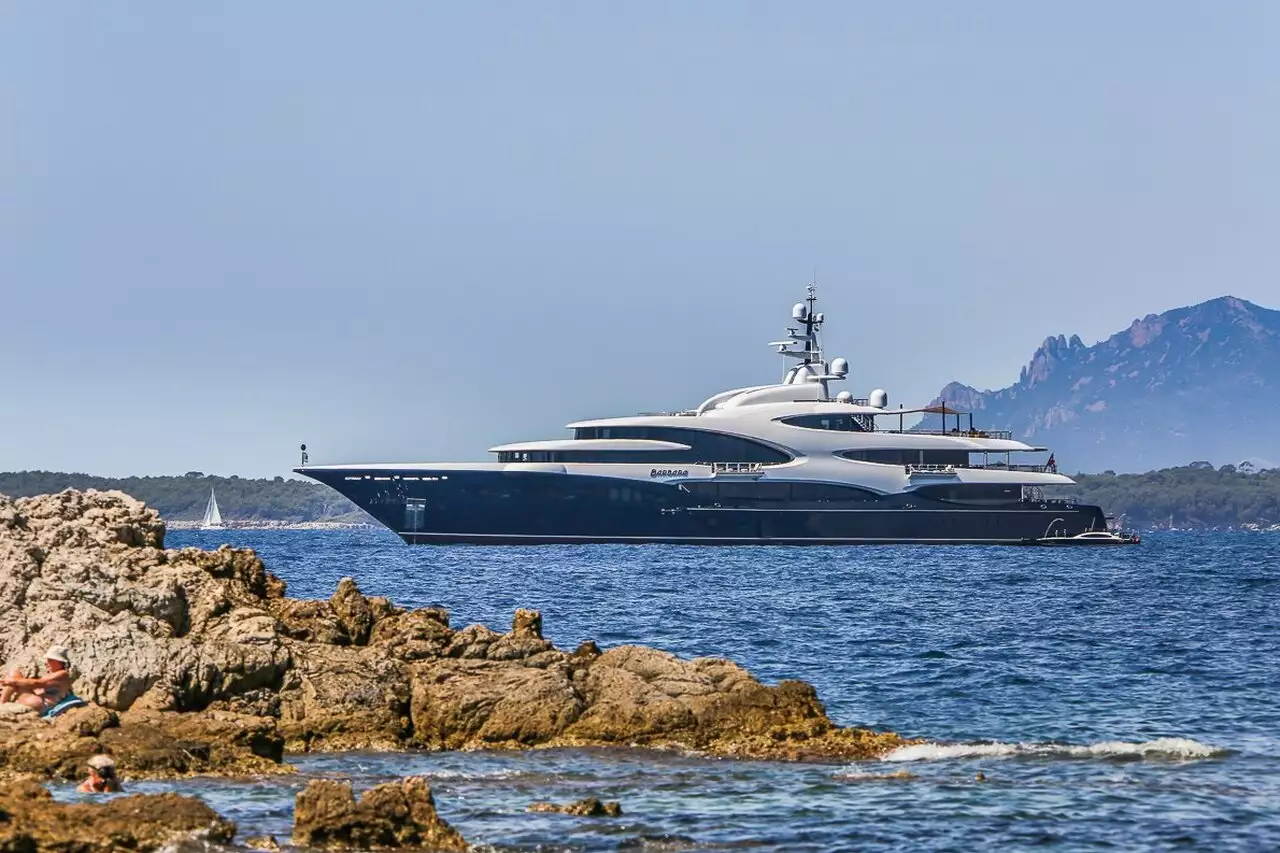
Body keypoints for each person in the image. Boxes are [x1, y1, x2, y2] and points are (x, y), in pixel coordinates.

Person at [0, 645, 73, 713]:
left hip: (43, 705)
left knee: (14, 677)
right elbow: (38, 686)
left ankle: (1, 703)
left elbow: (37, 684)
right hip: (39, 701)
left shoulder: (62, 674)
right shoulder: (53, 675)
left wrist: (13, 681)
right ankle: (2, 702)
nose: (47, 662)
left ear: (59, 661)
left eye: (50, 660)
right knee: (15, 674)